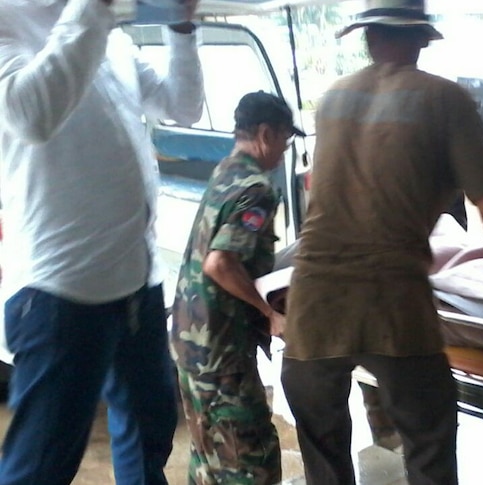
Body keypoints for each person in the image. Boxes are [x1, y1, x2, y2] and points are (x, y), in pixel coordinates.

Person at [278, 1, 483, 483]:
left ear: (367, 38)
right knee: (429, 440)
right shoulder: (446, 100)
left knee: (323, 452)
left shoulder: (332, 97)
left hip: (312, 302)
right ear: (421, 38)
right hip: (392, 304)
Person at [0, 0, 203, 482]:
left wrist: (181, 26)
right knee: (42, 464)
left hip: (136, 278)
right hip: (62, 290)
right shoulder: (8, 21)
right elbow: (30, 114)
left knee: (148, 434)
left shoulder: (110, 36)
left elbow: (182, 105)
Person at [170, 91, 305, 484]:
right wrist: (270, 314)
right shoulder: (258, 188)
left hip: (189, 337)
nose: (283, 151)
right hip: (220, 347)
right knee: (251, 459)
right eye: (284, 139)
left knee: (208, 452)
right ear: (265, 133)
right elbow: (220, 263)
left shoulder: (226, 169)